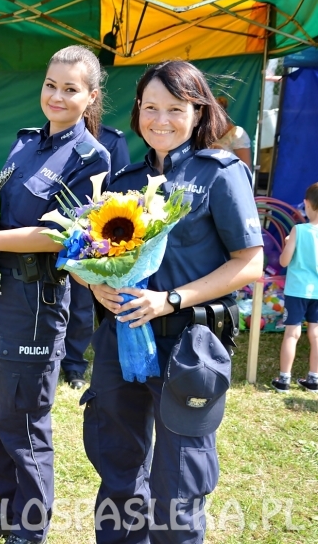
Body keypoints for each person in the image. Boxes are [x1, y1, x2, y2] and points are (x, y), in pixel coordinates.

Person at [0, 45, 111, 544]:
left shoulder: (90, 158)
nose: (57, 96)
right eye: (51, 85)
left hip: (37, 301)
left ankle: (29, 528)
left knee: (23, 419)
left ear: (90, 97)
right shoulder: (24, 143)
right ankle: (11, 504)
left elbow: (64, 235)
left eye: (71, 89)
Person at [84, 60, 264, 543]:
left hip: (189, 345)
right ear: (138, 111)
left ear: (198, 111)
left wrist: (171, 298)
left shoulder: (220, 173)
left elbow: (249, 263)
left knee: (178, 483)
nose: (160, 120)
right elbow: (96, 254)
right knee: (118, 471)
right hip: (122, 341)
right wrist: (95, 285)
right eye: (150, 108)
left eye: (175, 109)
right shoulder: (120, 181)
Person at [61, 124, 130, 389]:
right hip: (51, 230)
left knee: (80, 302)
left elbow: (120, 189)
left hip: (89, 233)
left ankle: (74, 365)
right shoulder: (49, 139)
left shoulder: (111, 139)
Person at [272, 182, 318, 393]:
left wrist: (289, 241)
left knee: (292, 333)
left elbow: (283, 261)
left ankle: (284, 379)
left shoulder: (298, 230)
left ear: (307, 204)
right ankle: (314, 378)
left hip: (297, 291)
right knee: (316, 334)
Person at [212, 96, 252, 168]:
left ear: (223, 115)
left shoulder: (237, 134)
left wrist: (224, 156)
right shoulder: (207, 134)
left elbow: (246, 169)